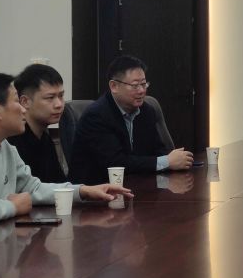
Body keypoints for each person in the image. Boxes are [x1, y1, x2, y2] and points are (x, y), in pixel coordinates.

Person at [0, 73, 132, 224]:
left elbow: (32, 188)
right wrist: (13, 207)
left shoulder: (4, 145)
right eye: (16, 101)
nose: (23, 109)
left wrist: (83, 191)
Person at [68, 54, 193, 185]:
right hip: (97, 190)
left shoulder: (147, 111)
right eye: (135, 85)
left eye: (144, 84)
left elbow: (158, 151)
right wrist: (166, 162)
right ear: (114, 86)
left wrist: (175, 160)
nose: (141, 91)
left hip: (137, 185)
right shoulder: (96, 116)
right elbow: (116, 163)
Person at [8, 63, 68, 183]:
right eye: (50, 98)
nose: (59, 104)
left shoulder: (44, 138)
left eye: (61, 96)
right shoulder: (12, 142)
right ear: (25, 101)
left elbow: (58, 184)